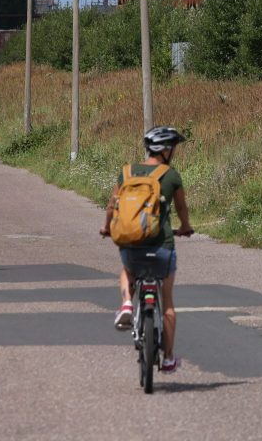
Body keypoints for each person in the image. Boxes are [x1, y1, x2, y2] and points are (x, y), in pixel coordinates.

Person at [100, 126, 193, 373]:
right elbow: (182, 209)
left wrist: (106, 227)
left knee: (127, 270)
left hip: (132, 246)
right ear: (164, 151)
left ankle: (128, 304)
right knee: (168, 303)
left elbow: (112, 205)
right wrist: (185, 227)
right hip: (162, 247)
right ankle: (170, 357)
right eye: (172, 148)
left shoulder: (127, 173)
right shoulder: (171, 176)